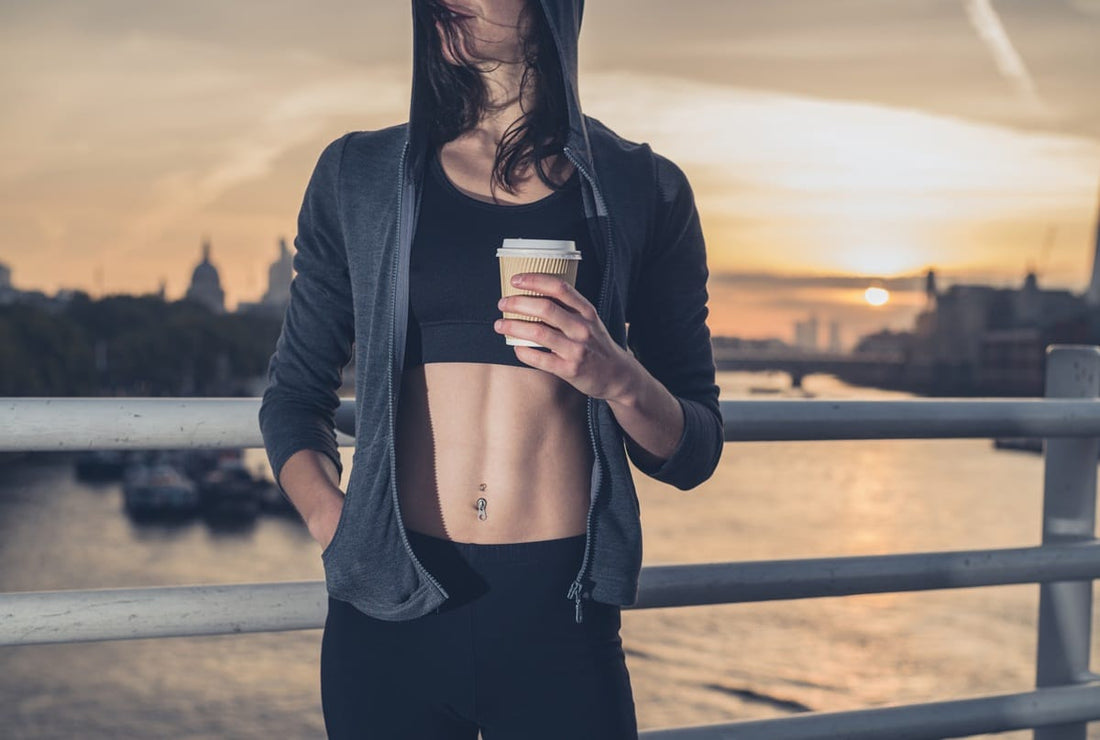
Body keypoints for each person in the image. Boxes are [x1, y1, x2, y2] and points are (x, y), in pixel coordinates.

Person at [257, 0, 725, 737]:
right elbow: (293, 396)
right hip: (386, 615)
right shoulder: (360, 175)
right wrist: (337, 525)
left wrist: (618, 377)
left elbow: (694, 448)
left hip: (560, 619)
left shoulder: (645, 187)